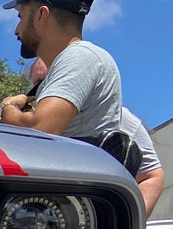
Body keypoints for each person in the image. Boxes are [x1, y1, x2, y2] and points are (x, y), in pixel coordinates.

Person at [27, 57, 164, 217]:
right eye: (39, 83)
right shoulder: (31, 124)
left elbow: (151, 175)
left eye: (55, 78)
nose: (46, 87)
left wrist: (126, 225)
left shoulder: (116, 116)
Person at [0, 0, 120, 141]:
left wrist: (7, 108)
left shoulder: (81, 57)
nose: (16, 30)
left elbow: (40, 129)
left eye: (20, 17)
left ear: (41, 15)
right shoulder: (74, 61)